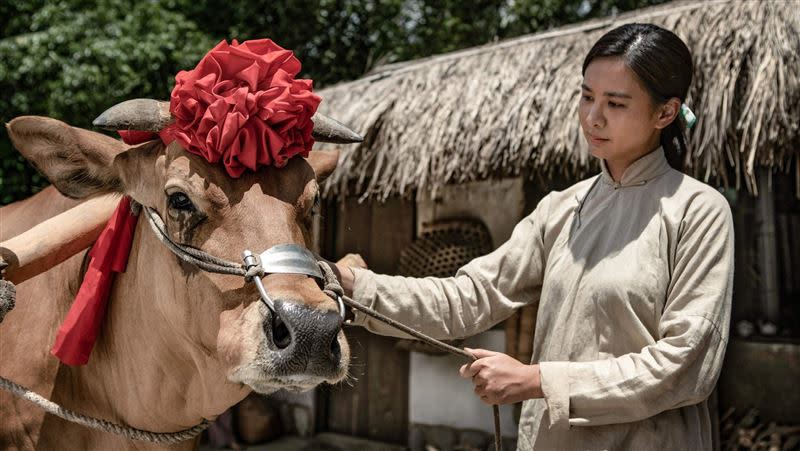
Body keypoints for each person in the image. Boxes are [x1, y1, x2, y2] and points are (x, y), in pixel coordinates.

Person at [335, 23, 733, 450]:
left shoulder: (698, 211)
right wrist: (355, 288)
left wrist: (538, 380)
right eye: (586, 96)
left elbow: (685, 367)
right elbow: (470, 297)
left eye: (615, 103)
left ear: (665, 113)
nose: (592, 117)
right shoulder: (562, 209)